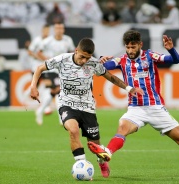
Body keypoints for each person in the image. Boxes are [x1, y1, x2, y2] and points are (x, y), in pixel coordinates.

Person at [87, 30, 179, 179]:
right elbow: (104, 67)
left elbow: (175, 60)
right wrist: (100, 59)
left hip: (156, 108)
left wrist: (171, 49)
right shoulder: (122, 60)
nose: (130, 50)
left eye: (133, 47)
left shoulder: (150, 56)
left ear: (140, 45)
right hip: (135, 108)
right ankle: (107, 153)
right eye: (128, 47)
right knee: (123, 128)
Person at [29, 38, 144, 178]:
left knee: (94, 143)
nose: (84, 61)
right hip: (67, 104)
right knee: (73, 129)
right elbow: (40, 67)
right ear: (76, 50)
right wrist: (33, 86)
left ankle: (101, 161)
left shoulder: (94, 63)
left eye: (87, 58)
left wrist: (129, 88)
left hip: (87, 107)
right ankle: (81, 165)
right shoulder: (62, 59)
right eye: (82, 57)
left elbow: (111, 77)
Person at [35, 22, 75, 125]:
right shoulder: (47, 41)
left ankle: (40, 111)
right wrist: (49, 62)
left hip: (62, 70)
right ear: (54, 30)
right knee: (57, 91)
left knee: (54, 92)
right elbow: (39, 52)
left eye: (61, 28)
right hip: (50, 70)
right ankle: (61, 118)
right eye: (57, 28)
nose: (59, 30)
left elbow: (72, 53)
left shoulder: (68, 40)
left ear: (63, 29)